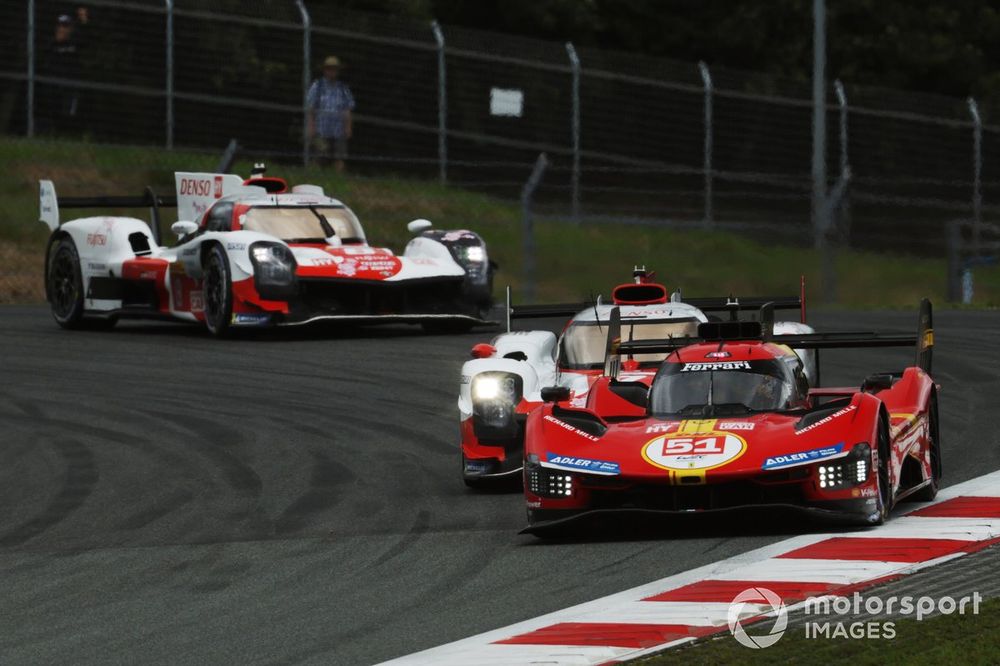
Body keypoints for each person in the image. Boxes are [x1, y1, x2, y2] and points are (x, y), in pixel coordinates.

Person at [38, 9, 89, 135]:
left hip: (70, 87)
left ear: (71, 29)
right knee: (51, 112)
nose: (62, 29)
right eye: (60, 25)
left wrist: (84, 20)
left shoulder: (75, 43)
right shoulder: (50, 44)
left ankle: (70, 137)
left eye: (65, 26)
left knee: (69, 115)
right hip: (52, 87)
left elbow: (87, 37)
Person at [306, 56, 355, 173]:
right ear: (324, 70)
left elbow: (347, 109)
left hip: (338, 130)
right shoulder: (317, 87)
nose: (332, 71)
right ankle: (315, 178)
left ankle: (339, 179)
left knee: (340, 157)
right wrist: (311, 126)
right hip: (321, 129)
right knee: (320, 156)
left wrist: (348, 127)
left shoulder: (343, 88)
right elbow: (311, 108)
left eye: (334, 69)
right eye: (329, 69)